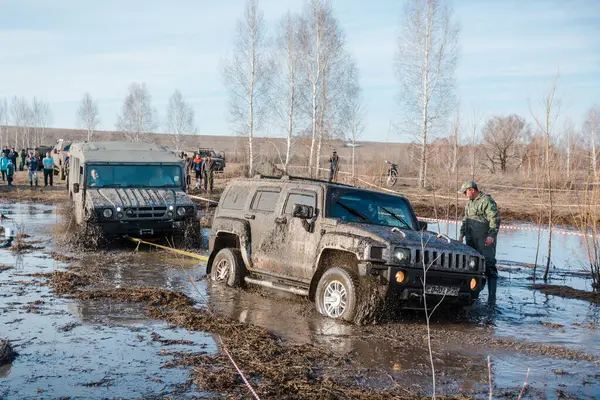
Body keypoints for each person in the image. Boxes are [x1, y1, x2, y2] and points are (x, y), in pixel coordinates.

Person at [458, 181, 500, 305]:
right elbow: (465, 220)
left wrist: (491, 236)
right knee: (473, 266)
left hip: (484, 238)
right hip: (471, 238)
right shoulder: (469, 203)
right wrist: (461, 235)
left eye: (465, 192)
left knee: (489, 266)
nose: (465, 195)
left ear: (471, 190)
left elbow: (494, 218)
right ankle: (473, 296)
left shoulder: (486, 200)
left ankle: (491, 299)